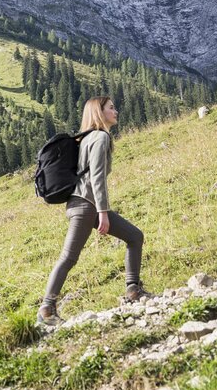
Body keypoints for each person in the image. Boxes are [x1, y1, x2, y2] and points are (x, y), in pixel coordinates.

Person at [38, 96, 150, 327]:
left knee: (135, 237)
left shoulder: (86, 138)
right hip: (85, 205)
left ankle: (133, 290)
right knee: (68, 257)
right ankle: (47, 309)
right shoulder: (99, 137)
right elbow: (97, 177)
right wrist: (104, 212)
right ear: (100, 113)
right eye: (111, 107)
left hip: (83, 204)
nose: (116, 111)